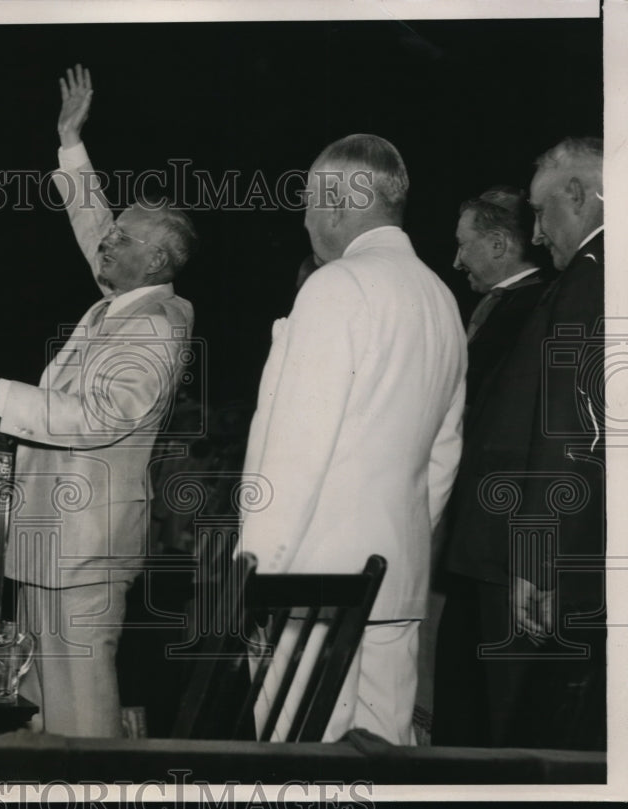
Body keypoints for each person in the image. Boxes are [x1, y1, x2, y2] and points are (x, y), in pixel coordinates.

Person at [0, 65, 196, 737]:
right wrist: (70, 142)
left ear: (157, 263)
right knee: (41, 699)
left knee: (79, 705)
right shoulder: (121, 304)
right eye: (114, 235)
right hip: (53, 538)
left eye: (124, 238)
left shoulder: (156, 324)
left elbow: (102, 418)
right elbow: (92, 221)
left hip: (87, 546)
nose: (108, 240)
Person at [239, 134, 467, 744]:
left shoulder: (335, 286)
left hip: (313, 588)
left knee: (294, 760)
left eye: (310, 205)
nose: (307, 221)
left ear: (337, 202)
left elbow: (293, 452)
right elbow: (443, 456)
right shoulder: (442, 298)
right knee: (383, 759)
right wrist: (405, 541)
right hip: (395, 579)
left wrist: (257, 571)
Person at [436, 137, 604, 750]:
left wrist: (536, 556)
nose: (536, 232)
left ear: (580, 196)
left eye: (541, 212)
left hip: (529, 547)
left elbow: (566, 430)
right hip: (543, 543)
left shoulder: (590, 277)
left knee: (522, 737)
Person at [452, 186, 548, 408]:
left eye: (462, 245)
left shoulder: (528, 310)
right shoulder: (536, 301)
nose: (456, 263)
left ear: (498, 244)